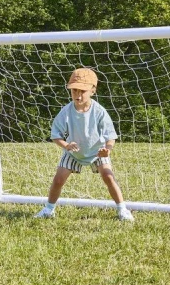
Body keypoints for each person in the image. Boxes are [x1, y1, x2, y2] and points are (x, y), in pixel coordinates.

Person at [35, 67, 134, 223]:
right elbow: (55, 135)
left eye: (82, 91)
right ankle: (48, 209)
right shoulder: (66, 111)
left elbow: (110, 136)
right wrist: (66, 145)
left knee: (108, 176)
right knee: (58, 180)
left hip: (97, 152)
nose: (78, 95)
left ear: (93, 91)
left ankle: (122, 209)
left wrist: (107, 150)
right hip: (73, 153)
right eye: (74, 91)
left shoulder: (100, 112)